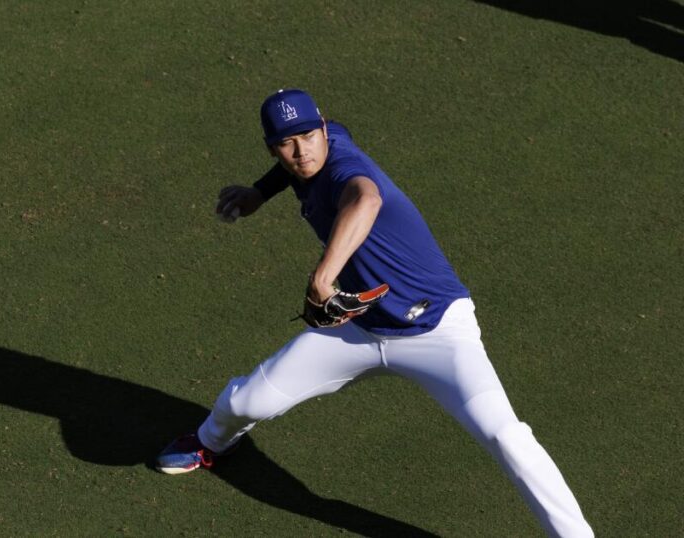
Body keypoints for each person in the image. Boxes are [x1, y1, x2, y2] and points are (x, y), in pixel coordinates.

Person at [156, 89, 594, 537]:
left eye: (308, 135)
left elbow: (365, 200)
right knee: (245, 401)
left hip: (438, 330)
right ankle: (210, 444)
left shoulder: (347, 167)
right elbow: (296, 169)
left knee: (507, 437)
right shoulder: (318, 147)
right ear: (272, 148)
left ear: (323, 128)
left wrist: (323, 277)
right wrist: (260, 192)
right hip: (361, 326)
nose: (301, 150)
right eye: (287, 143)